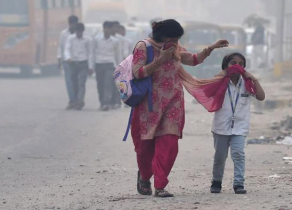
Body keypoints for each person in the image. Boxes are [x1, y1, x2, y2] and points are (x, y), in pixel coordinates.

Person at [131, 19, 229, 197]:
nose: (176, 43)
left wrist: (212, 47)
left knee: (169, 144)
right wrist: (160, 60)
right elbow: (137, 72)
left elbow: (193, 60)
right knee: (145, 148)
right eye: (173, 39)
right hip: (149, 105)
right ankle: (144, 177)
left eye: (177, 40)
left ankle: (160, 185)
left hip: (173, 103)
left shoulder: (175, 47)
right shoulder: (143, 47)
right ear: (163, 36)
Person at [210, 53, 265, 194]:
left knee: (239, 154)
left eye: (241, 64)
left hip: (240, 127)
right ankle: (216, 181)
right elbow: (208, 89)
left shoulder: (247, 84)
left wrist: (254, 78)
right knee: (220, 157)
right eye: (233, 63)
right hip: (221, 126)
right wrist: (222, 74)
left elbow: (261, 96)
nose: (237, 66)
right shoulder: (220, 82)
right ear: (225, 66)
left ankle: (238, 183)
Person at [64, 23, 93, 110]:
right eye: (77, 31)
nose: (79, 33)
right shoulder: (70, 38)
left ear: (83, 31)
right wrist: (68, 58)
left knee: (81, 83)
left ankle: (80, 101)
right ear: (75, 31)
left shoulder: (88, 40)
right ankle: (75, 100)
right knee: (74, 83)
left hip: (83, 63)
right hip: (73, 63)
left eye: (80, 32)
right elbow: (67, 49)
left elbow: (90, 53)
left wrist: (90, 66)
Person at [93, 21, 120, 111]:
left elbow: (117, 55)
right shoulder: (97, 39)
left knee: (107, 84)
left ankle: (106, 103)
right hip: (99, 64)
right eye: (106, 28)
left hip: (110, 64)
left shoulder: (115, 41)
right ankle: (102, 102)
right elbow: (92, 53)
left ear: (111, 29)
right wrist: (91, 65)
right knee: (100, 84)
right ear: (103, 29)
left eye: (109, 28)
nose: (107, 30)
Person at [58, 15, 79, 110]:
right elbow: (60, 47)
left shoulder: (80, 33)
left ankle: (78, 99)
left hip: (78, 61)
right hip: (67, 61)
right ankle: (72, 100)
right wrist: (59, 59)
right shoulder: (63, 34)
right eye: (72, 24)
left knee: (77, 81)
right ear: (69, 24)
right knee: (69, 81)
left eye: (75, 24)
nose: (73, 26)